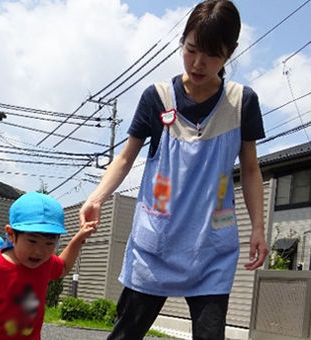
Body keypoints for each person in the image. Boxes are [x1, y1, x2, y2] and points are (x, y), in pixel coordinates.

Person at [79, 1, 269, 339]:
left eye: (212, 54)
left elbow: (251, 170)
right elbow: (125, 157)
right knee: (126, 333)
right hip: (157, 242)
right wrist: (97, 196)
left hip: (212, 247)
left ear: (231, 53)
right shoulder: (158, 97)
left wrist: (258, 227)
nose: (198, 63)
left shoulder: (242, 103)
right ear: (183, 41)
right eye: (191, 49)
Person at [0, 192, 97, 340]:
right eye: (32, 241)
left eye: (50, 243)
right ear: (11, 234)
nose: (40, 251)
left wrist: (77, 240)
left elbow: (63, 267)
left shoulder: (46, 262)